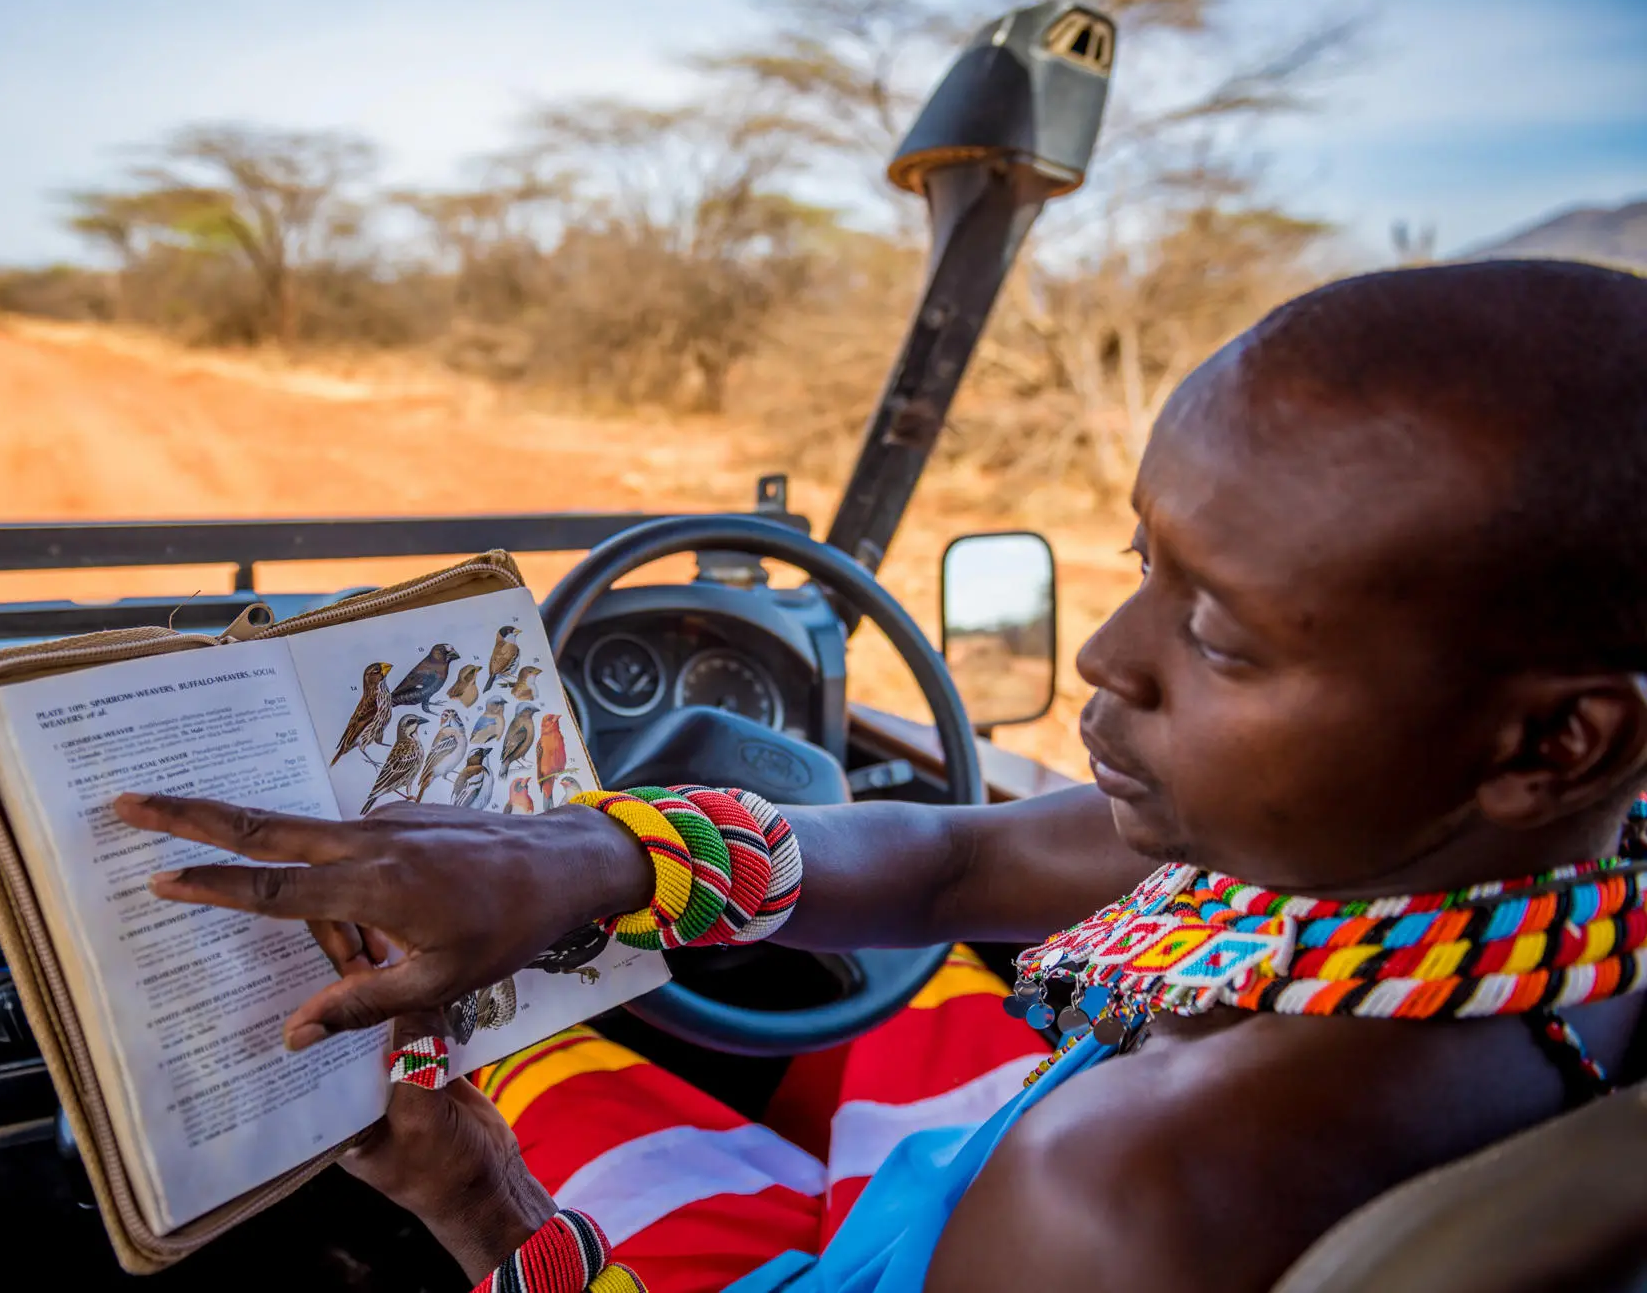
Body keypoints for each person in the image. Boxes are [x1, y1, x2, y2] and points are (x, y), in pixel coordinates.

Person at [113, 259, 1647, 1292]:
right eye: (1139, 562)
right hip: (930, 1196)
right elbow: (956, 866)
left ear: (1550, 744)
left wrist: (482, 1205)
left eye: (1223, 638)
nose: (1110, 655)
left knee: (525, 1067)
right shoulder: (1499, 910)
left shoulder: (1124, 1196)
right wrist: (582, 861)